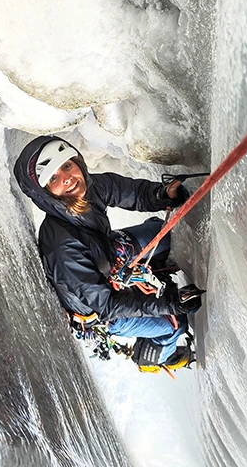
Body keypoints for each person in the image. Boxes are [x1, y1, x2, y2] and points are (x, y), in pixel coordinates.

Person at [14, 135, 203, 371]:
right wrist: (169, 303)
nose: (68, 179)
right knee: (176, 322)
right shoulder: (61, 246)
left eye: (67, 166)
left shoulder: (89, 189)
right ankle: (157, 358)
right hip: (104, 312)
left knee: (160, 232)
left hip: (108, 256)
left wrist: (163, 194)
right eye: (54, 178)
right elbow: (108, 305)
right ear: (46, 193)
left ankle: (153, 273)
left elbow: (130, 192)